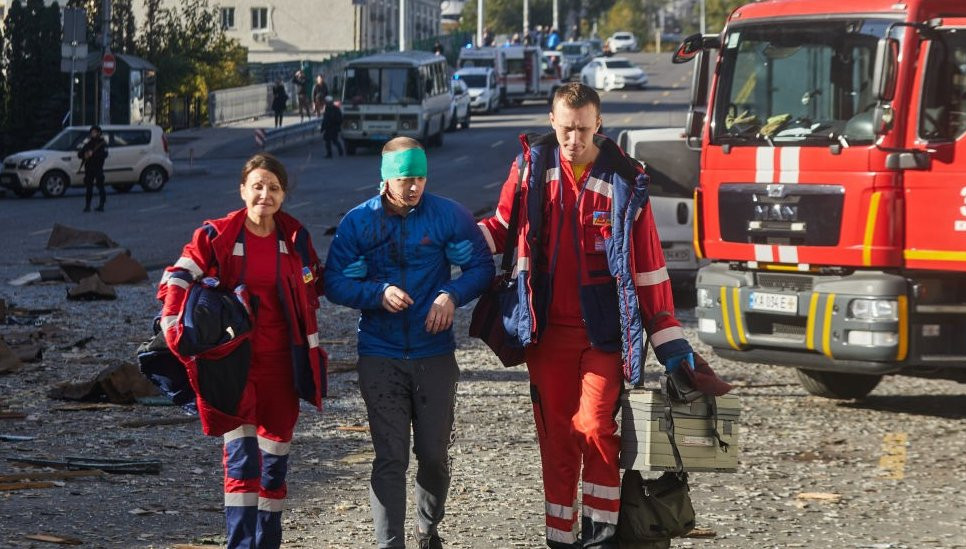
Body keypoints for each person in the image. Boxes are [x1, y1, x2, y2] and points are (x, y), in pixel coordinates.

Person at [477, 82, 702, 548]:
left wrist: (672, 345)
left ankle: (601, 537)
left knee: (596, 427)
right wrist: (441, 247)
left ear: (598, 124)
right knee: (557, 440)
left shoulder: (625, 179)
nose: (573, 140)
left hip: (604, 335)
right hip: (544, 335)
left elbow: (649, 268)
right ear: (552, 123)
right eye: (564, 130)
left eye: (582, 129)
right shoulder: (529, 170)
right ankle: (560, 538)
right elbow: (499, 227)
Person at [324, 137, 494, 549]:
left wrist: (451, 295)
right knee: (390, 455)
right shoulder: (358, 222)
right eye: (405, 179)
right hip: (379, 353)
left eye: (419, 177)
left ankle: (427, 527)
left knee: (433, 456)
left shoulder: (447, 215)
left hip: (434, 352)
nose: (414, 186)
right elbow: (334, 281)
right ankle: (390, 543)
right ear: (385, 179)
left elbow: (482, 266)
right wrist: (376, 293)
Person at [157, 152, 328, 549]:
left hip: (284, 369)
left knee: (274, 465)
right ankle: (239, 544)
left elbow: (316, 282)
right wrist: (171, 326)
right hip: (232, 368)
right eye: (257, 187)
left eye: (273, 188)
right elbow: (178, 276)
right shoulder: (217, 235)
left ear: (283, 194)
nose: (264, 195)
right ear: (242, 190)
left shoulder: (296, 237)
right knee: (240, 461)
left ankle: (267, 543)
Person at [78, 125, 108, 212]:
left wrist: (93, 154)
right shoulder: (88, 143)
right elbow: (80, 154)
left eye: (94, 132)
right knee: (89, 188)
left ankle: (101, 205)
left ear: (99, 133)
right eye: (92, 132)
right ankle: (87, 206)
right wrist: (85, 154)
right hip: (89, 168)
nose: (93, 134)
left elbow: (104, 155)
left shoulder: (102, 143)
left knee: (100, 187)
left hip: (98, 168)